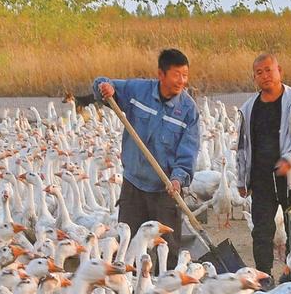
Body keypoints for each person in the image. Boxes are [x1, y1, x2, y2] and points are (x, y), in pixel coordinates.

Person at [78, 48, 200, 262]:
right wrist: (105, 88)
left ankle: (165, 280)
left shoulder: (189, 111)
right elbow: (103, 84)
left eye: (185, 75)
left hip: (165, 189)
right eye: (176, 75)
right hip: (133, 185)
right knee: (128, 246)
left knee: (168, 251)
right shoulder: (138, 91)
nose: (182, 81)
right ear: (161, 74)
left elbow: (188, 151)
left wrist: (177, 179)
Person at [236, 53, 291, 277]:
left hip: (290, 178)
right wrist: (241, 178)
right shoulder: (249, 108)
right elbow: (242, 145)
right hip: (261, 178)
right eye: (259, 72)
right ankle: (263, 277)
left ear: (280, 71)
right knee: (261, 231)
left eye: (269, 70)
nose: (265, 76)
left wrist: (287, 159)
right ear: (254, 78)